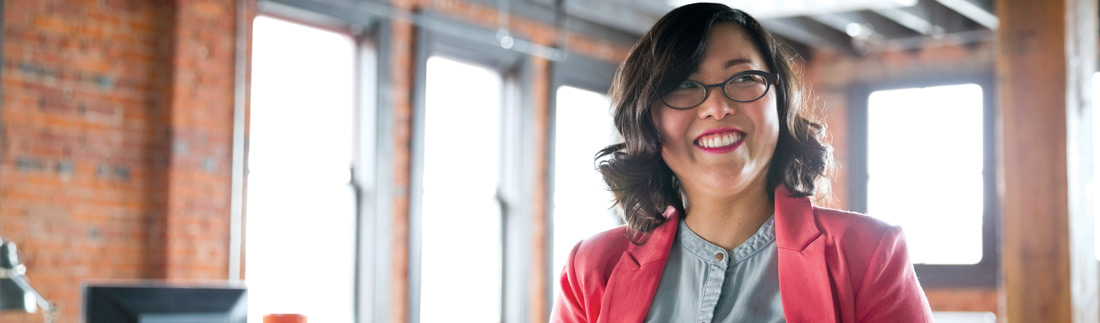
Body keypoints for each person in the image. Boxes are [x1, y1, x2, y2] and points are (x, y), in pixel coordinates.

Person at [551, 3, 933, 322]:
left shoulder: (869, 254)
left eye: (744, 77)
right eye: (683, 85)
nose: (717, 107)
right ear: (647, 116)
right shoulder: (591, 269)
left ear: (778, 101)